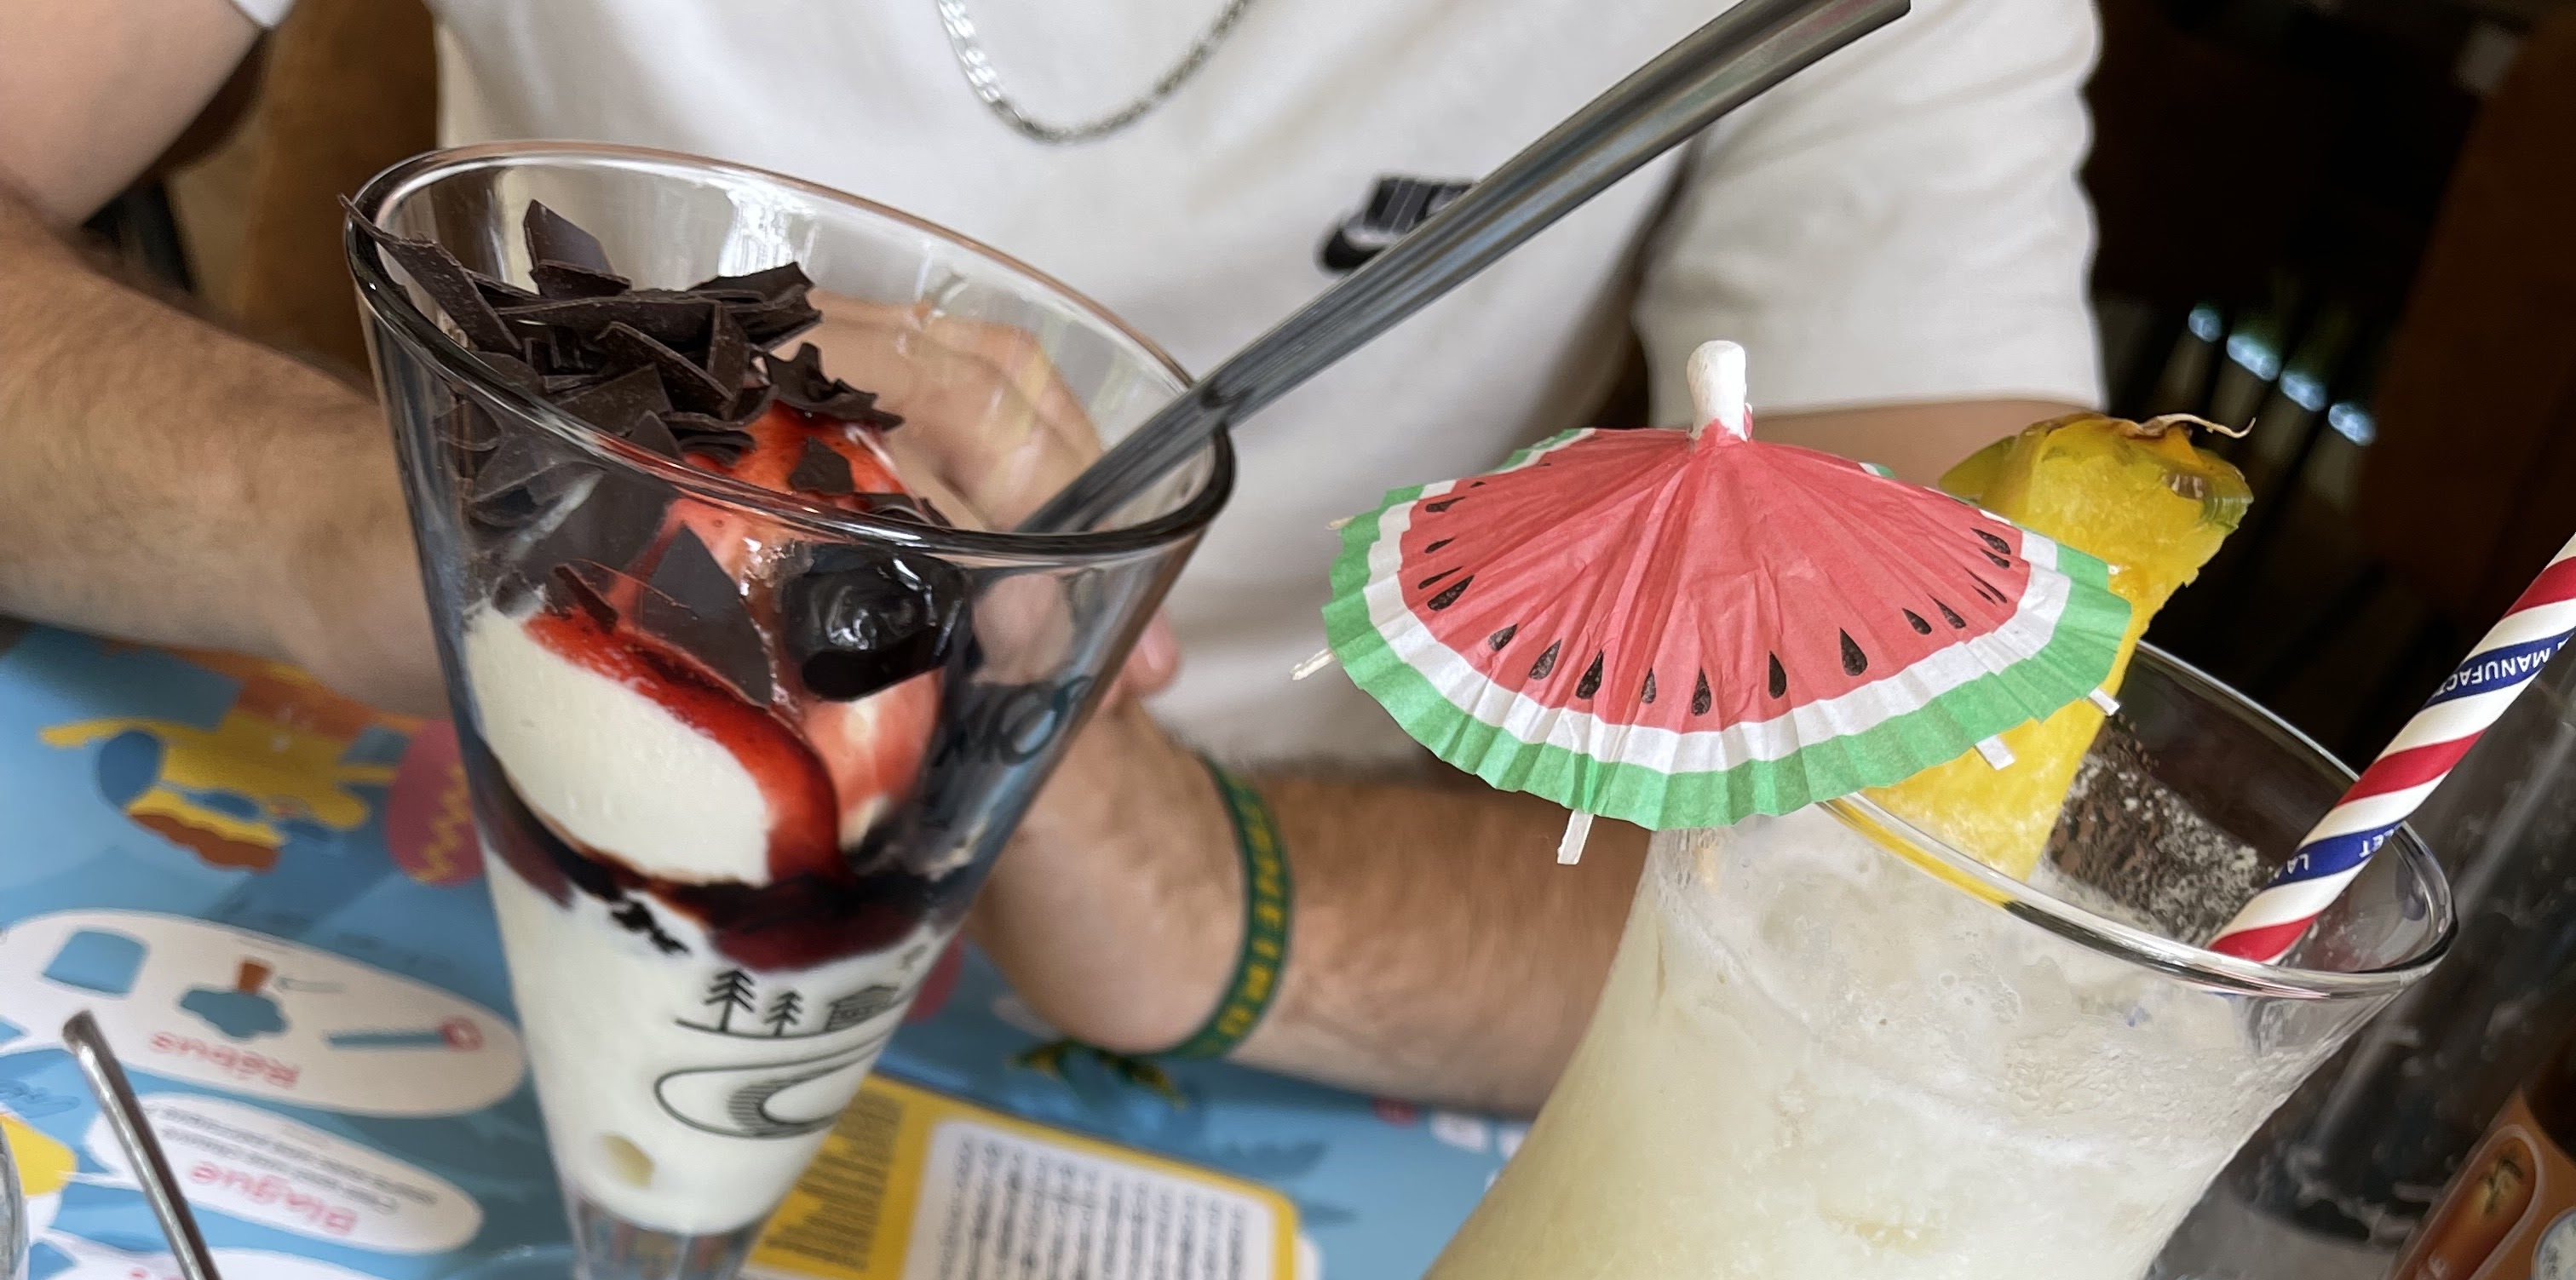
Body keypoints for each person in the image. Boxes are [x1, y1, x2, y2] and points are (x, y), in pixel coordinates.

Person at [0, 0, 2103, 1108]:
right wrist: (390, 512)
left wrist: (1215, 898)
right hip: (461, 800)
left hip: (1263, 1007)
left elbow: (1941, 863)